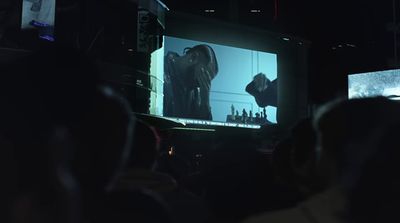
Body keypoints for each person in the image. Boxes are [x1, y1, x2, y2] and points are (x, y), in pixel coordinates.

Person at [163, 44, 219, 120]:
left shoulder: (193, 96)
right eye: (203, 76)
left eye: (206, 81)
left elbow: (202, 129)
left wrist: (205, 102)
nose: (200, 85)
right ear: (193, 57)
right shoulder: (158, 65)